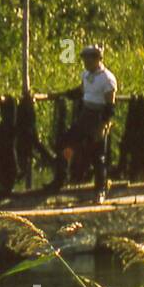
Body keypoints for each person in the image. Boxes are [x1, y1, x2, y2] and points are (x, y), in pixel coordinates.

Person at [46, 45, 117, 199]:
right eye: (84, 59)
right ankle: (59, 181)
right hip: (85, 115)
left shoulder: (108, 79)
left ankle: (100, 191)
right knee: (65, 143)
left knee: (98, 155)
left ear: (98, 59)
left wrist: (103, 125)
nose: (85, 63)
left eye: (88, 59)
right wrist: (62, 94)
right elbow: (81, 91)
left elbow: (110, 106)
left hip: (98, 117)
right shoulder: (86, 74)